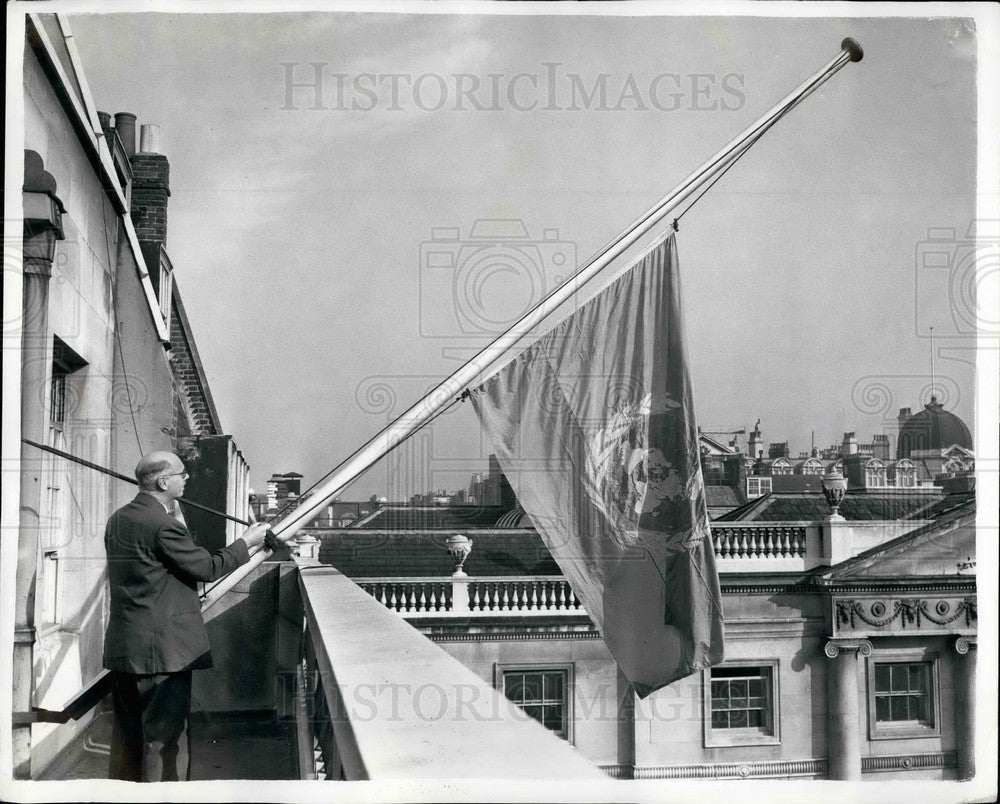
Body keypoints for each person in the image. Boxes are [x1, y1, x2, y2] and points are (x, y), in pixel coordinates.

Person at [103, 450, 269, 782]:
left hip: (126, 649)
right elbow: (207, 567)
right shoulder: (163, 525)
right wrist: (247, 541)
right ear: (163, 481)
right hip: (163, 655)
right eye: (181, 474)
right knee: (162, 743)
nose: (186, 478)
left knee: (127, 739)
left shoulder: (119, 519)